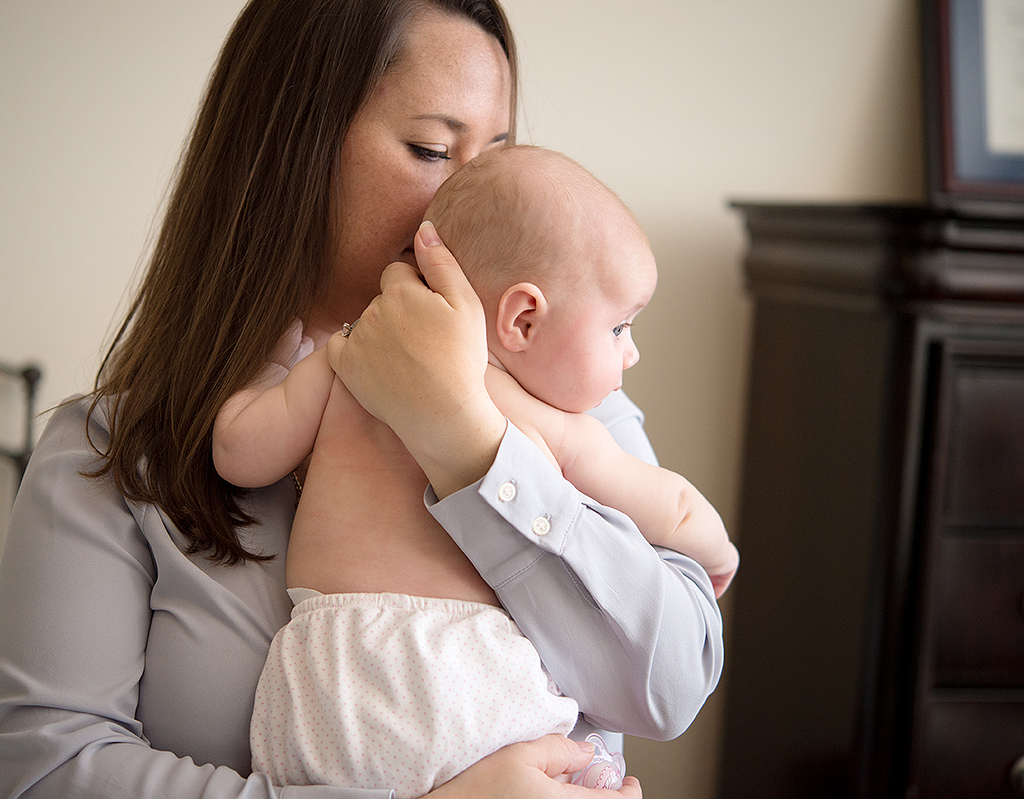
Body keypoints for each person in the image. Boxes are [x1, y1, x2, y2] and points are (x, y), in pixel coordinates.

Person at [0, 0, 724, 797]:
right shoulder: (111, 452)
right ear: (291, 147)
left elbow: (671, 689)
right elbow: (45, 773)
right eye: (432, 148)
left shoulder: (573, 402)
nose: (480, 191)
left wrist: (473, 447)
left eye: (499, 151)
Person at [214, 144, 736, 797]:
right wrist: (718, 552)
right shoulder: (540, 417)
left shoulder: (346, 353)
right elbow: (673, 507)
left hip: (323, 689)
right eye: (619, 329)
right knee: (579, 765)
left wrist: (270, 367)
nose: (631, 352)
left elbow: (237, 452)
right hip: (463, 686)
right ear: (523, 319)